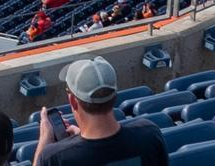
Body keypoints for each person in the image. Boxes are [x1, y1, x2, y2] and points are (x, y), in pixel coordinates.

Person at [37, 57, 166, 166]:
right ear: (114, 96)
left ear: (73, 101)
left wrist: (45, 138)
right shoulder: (149, 135)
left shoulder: (54, 158)